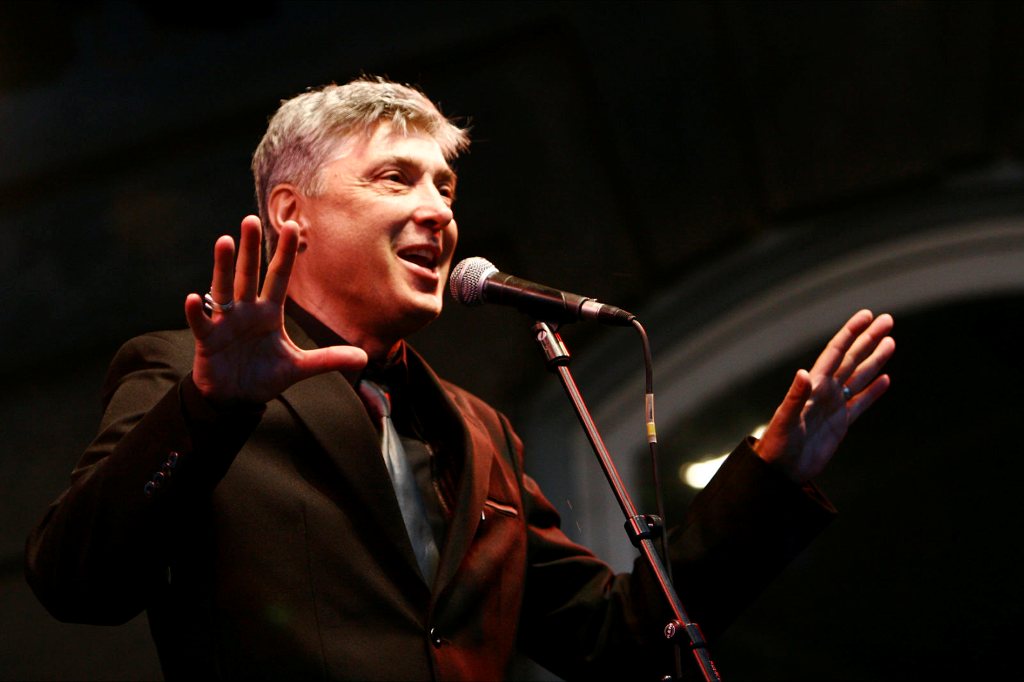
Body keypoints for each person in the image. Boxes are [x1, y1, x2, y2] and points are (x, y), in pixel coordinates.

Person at [25, 78, 895, 681]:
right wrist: (210, 408)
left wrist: (771, 475)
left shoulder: (476, 432)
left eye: (445, 187)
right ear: (291, 212)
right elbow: (74, 582)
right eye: (395, 179)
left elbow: (620, 640)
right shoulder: (185, 374)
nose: (437, 210)